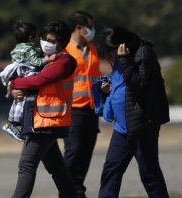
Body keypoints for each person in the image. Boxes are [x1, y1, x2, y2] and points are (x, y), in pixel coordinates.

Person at [98, 25, 170, 198]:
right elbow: (121, 85)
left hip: (141, 124)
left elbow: (139, 85)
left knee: (149, 173)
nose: (112, 55)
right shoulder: (120, 58)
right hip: (122, 127)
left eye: (113, 50)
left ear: (122, 44)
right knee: (111, 170)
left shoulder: (144, 53)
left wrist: (124, 60)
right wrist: (108, 90)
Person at [8, 20, 78, 198]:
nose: (47, 43)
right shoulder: (44, 60)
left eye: (52, 41)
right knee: (57, 169)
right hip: (41, 120)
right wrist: (13, 88)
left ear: (63, 43)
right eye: (45, 39)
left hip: (47, 122)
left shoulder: (64, 61)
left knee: (26, 166)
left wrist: (13, 82)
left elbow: (38, 81)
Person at [63, 11, 101, 198]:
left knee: (86, 152)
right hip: (72, 108)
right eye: (90, 26)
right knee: (73, 151)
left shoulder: (92, 49)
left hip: (91, 108)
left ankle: (78, 189)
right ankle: (68, 191)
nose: (93, 30)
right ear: (79, 28)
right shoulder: (64, 50)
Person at [0, 20, 56, 141]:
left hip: (19, 74)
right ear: (31, 37)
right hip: (28, 74)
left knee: (18, 102)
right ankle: (14, 125)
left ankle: (12, 124)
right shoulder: (30, 49)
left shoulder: (16, 48)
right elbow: (35, 62)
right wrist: (48, 60)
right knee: (23, 101)